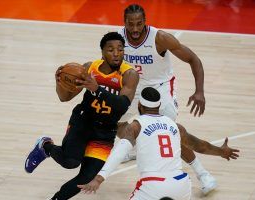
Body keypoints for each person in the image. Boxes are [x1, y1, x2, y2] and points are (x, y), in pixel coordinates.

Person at [24, 32, 139, 199]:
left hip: (106, 131)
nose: (116, 53)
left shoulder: (129, 74)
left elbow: (122, 106)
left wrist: (97, 89)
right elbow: (64, 97)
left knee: (86, 178)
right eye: (111, 49)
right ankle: (45, 146)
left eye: (120, 49)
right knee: (70, 162)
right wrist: (60, 82)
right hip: (83, 121)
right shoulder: (89, 69)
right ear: (102, 52)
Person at [116, 4, 216, 195]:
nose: (135, 29)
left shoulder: (160, 38)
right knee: (115, 123)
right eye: (131, 24)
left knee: (172, 135)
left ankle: (203, 174)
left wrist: (199, 92)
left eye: (139, 23)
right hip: (132, 86)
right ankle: (135, 148)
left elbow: (193, 59)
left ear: (145, 22)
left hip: (160, 88)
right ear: (124, 23)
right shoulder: (117, 39)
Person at [78, 87, 240, 199]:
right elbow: (201, 146)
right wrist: (221, 151)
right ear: (160, 106)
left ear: (140, 105)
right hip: (182, 186)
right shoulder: (176, 127)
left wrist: (98, 179)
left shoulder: (135, 126)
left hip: (153, 186)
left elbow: (119, 153)